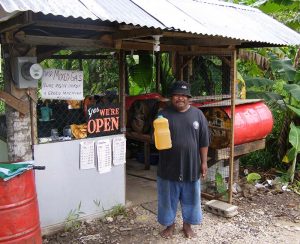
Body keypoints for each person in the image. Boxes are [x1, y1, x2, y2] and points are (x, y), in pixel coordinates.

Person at [156, 80, 209, 239]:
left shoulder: (197, 114)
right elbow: (156, 139)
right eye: (176, 95)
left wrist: (204, 162)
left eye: (183, 95)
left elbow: (204, 141)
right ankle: (169, 225)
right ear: (171, 97)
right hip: (168, 166)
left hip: (191, 166)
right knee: (167, 198)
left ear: (189, 98)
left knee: (191, 197)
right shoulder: (163, 114)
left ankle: (187, 226)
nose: (180, 98)